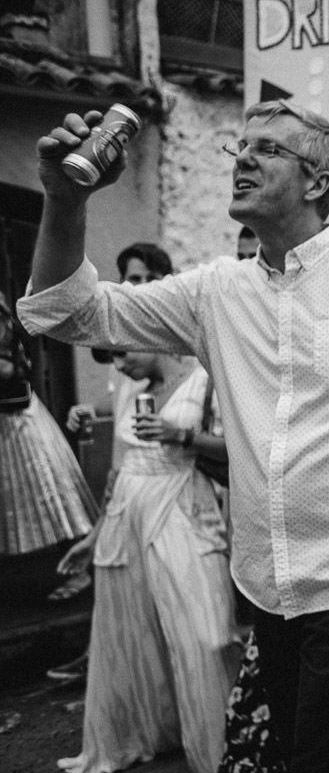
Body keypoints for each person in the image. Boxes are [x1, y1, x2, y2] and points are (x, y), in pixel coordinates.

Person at [19, 99, 329, 773]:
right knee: (297, 753)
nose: (243, 157)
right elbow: (65, 313)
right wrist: (64, 199)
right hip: (268, 588)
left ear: (317, 183)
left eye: (267, 149)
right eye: (240, 147)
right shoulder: (215, 291)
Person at [54, 348, 239, 773]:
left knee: (205, 634)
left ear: (151, 335)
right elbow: (119, 469)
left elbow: (238, 447)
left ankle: (220, 753)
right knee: (131, 633)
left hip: (182, 506)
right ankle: (152, 731)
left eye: (121, 352)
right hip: (126, 516)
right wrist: (95, 534)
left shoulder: (206, 376)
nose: (116, 365)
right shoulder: (130, 389)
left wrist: (180, 436)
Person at [49, 242, 176, 685]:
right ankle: (103, 657)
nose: (135, 288)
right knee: (115, 575)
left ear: (163, 279)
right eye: (129, 279)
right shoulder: (129, 349)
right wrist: (93, 407)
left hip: (167, 484)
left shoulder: (171, 340)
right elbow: (119, 393)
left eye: (143, 278)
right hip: (129, 476)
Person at [0, 291, 97, 560]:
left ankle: (80, 558)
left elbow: (8, 368)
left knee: (51, 485)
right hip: (6, 417)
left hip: (20, 417)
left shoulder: (3, 320)